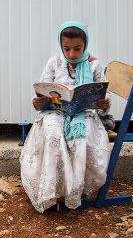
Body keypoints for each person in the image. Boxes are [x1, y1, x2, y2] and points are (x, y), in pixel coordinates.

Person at [20, 21, 111, 213]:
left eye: (77, 49)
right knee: (53, 134)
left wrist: (104, 103)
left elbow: (103, 98)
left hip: (84, 114)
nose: (71, 54)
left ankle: (73, 192)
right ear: (61, 46)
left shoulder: (94, 64)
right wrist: (37, 102)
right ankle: (51, 191)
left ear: (85, 44)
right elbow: (42, 90)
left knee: (80, 138)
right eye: (66, 48)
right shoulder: (54, 62)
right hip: (55, 112)